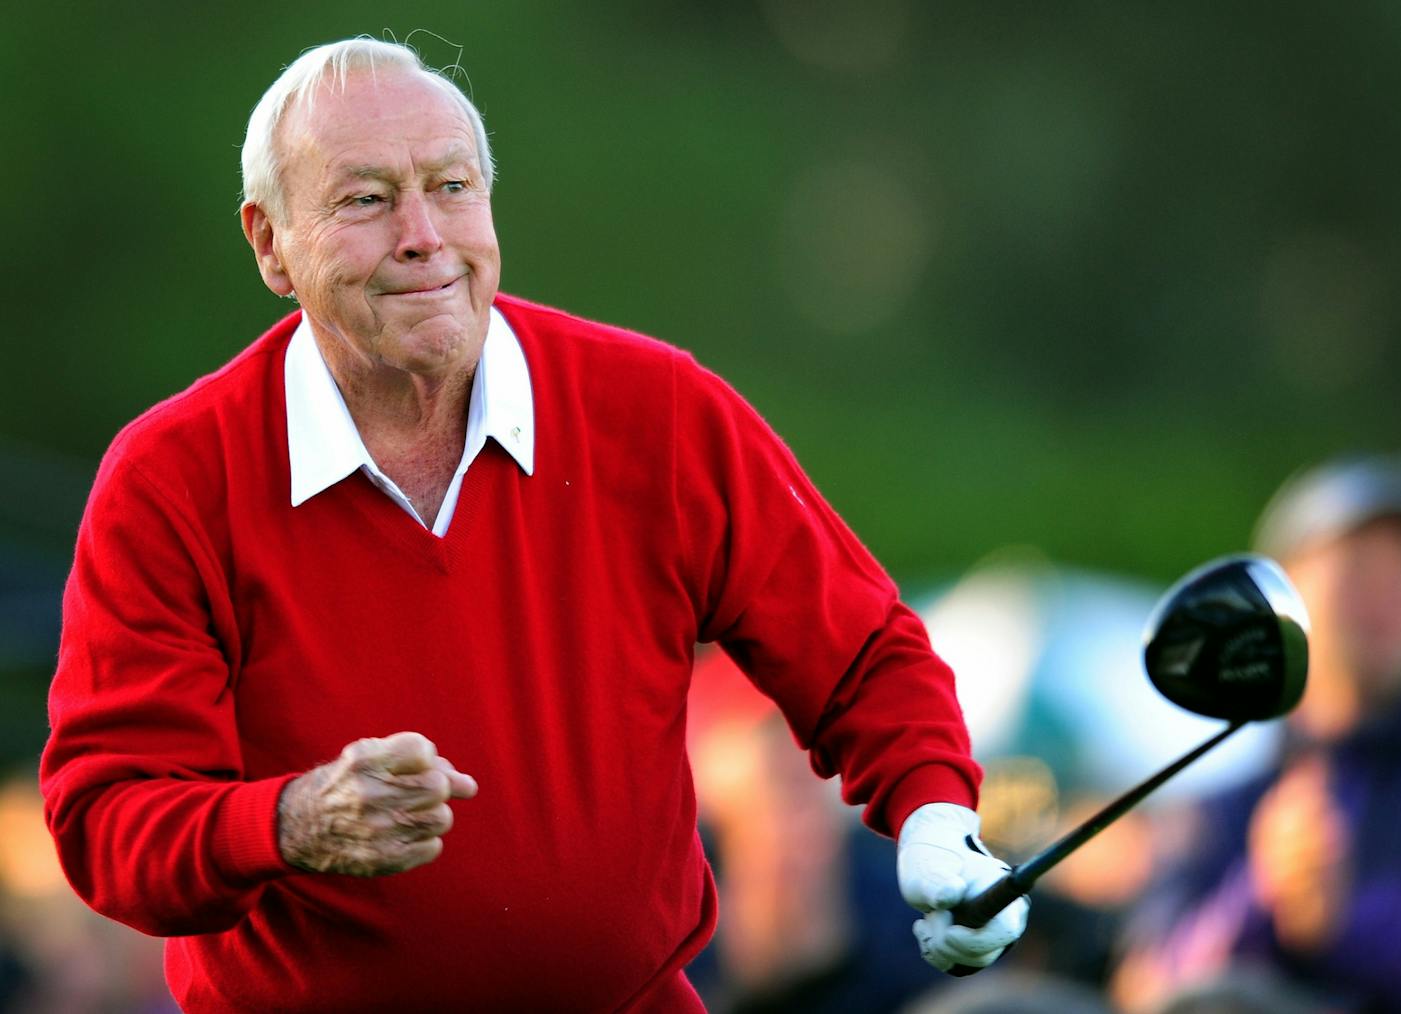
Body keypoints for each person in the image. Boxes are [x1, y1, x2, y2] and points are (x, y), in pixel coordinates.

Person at [39, 37, 1027, 1012]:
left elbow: (859, 652)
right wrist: (288, 823)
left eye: (452, 187)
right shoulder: (172, 478)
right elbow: (109, 827)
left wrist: (935, 815)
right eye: (366, 199)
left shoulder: (657, 412)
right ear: (269, 244)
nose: (423, 233)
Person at [1113, 455, 1401, 1013]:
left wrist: (1341, 923)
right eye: (1359, 568)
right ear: (1284, 590)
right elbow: (1146, 983)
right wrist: (1261, 899)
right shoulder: (1223, 789)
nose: (1388, 595)